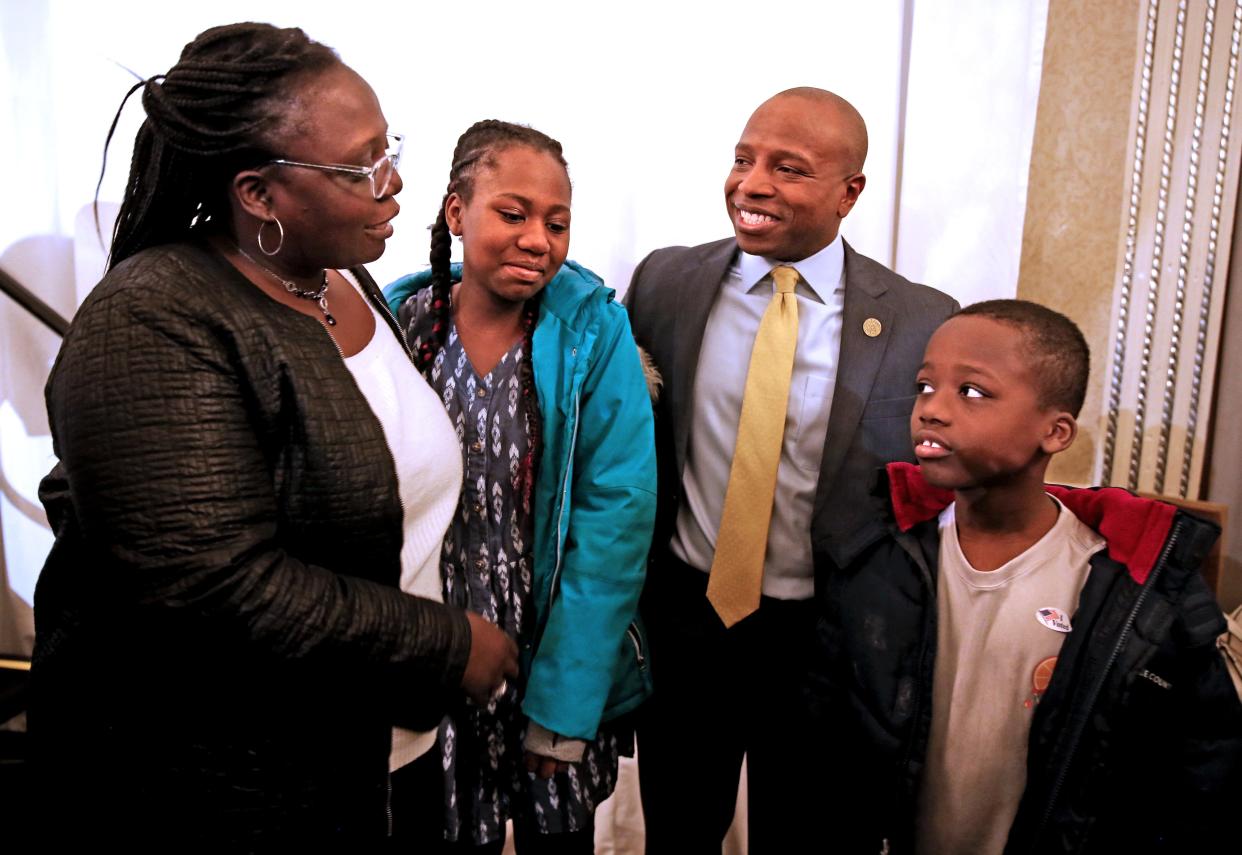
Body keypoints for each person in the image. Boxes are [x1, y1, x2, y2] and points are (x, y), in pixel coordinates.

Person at [29, 23, 517, 847]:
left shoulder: (342, 276)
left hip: (387, 746)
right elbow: (213, 587)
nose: (394, 182)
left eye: (388, 146)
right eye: (362, 167)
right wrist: (444, 644)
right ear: (257, 195)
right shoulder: (155, 316)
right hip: (238, 784)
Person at [623, 87, 958, 851]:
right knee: (676, 831)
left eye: (789, 167)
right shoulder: (663, 283)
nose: (752, 183)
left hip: (825, 639)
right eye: (744, 158)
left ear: (850, 193)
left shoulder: (921, 319)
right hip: (687, 620)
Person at [811, 300, 1242, 853]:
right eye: (924, 386)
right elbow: (823, 736)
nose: (931, 410)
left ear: (1056, 432)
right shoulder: (880, 557)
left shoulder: (1130, 590)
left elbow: (1202, 775)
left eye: (971, 393)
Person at [385, 120, 657, 852]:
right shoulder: (400, 325)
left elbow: (616, 520)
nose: (538, 238)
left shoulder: (592, 335)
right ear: (454, 212)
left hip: (551, 641)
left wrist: (566, 702)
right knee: (433, 828)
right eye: (513, 213)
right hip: (434, 637)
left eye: (557, 222)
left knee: (555, 832)